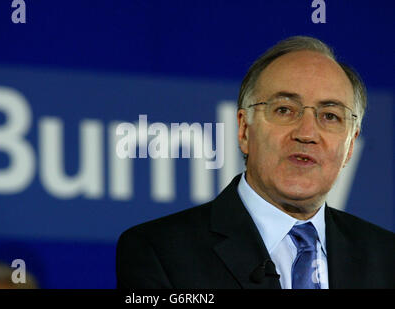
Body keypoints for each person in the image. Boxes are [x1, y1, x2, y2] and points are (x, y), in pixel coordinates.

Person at [116, 36, 395, 289]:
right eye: (284, 110)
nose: (307, 133)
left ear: (350, 145)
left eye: (330, 116)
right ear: (244, 130)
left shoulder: (387, 257)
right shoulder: (160, 251)